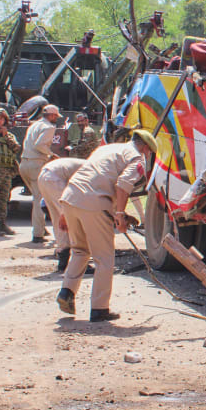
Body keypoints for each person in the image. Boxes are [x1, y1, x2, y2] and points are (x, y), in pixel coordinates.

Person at [55, 129, 158, 322]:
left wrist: (63, 211)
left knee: (79, 250)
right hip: (94, 202)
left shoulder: (107, 149)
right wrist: (119, 214)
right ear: (145, 147)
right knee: (104, 258)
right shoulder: (137, 158)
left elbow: (88, 175)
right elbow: (123, 184)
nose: (148, 155)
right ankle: (99, 309)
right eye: (149, 152)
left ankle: (66, 292)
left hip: (70, 198)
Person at [38, 158, 87, 272]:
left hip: (44, 175)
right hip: (55, 177)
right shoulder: (94, 169)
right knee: (72, 218)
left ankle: (63, 258)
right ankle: (78, 261)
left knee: (58, 219)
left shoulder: (83, 164)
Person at [20, 104, 60, 243]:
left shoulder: (34, 125)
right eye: (56, 116)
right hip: (36, 164)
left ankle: (41, 228)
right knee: (39, 200)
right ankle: (37, 234)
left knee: (36, 198)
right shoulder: (49, 127)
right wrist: (52, 154)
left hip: (24, 164)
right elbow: (39, 145)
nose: (56, 119)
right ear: (52, 115)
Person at [0, 108, 20, 236]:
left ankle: (2, 223)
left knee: (3, 199)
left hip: (6, 171)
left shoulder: (9, 136)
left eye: (1, 119)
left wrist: (5, 136)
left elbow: (16, 148)